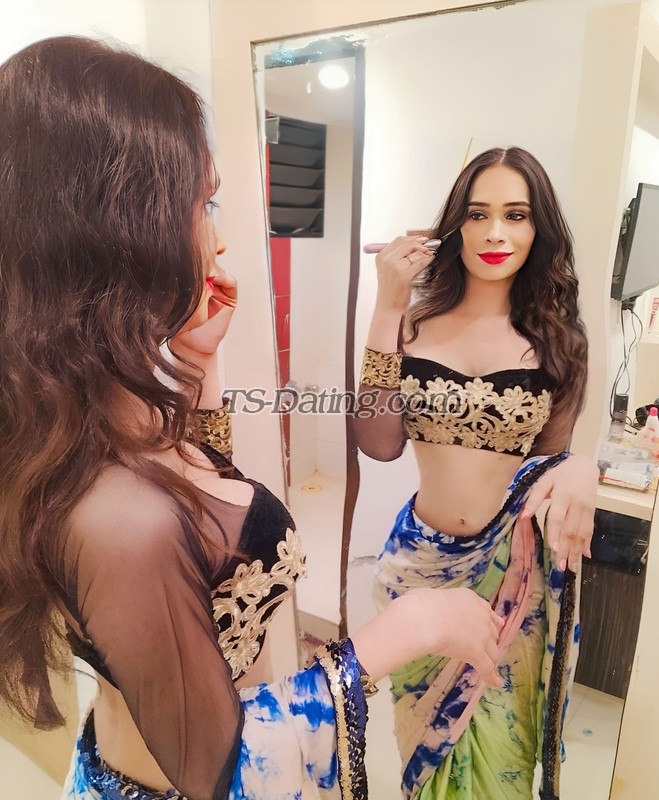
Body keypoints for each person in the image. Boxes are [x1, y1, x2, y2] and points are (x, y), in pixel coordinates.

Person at [0, 36, 508, 800]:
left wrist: (199, 366)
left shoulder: (97, 422)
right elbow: (219, 769)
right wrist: (401, 632)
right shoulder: (117, 514)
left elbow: (205, 517)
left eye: (515, 215)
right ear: (113, 230)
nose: (219, 236)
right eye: (202, 204)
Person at [354, 147, 600, 800]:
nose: (495, 233)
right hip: (418, 574)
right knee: (426, 759)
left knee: (497, 764)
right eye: (477, 214)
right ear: (454, 226)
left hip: (508, 581)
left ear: (538, 228)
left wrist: (583, 466)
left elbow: (548, 465)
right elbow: (377, 442)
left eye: (515, 215)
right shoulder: (413, 324)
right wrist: (387, 306)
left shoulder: (558, 341)